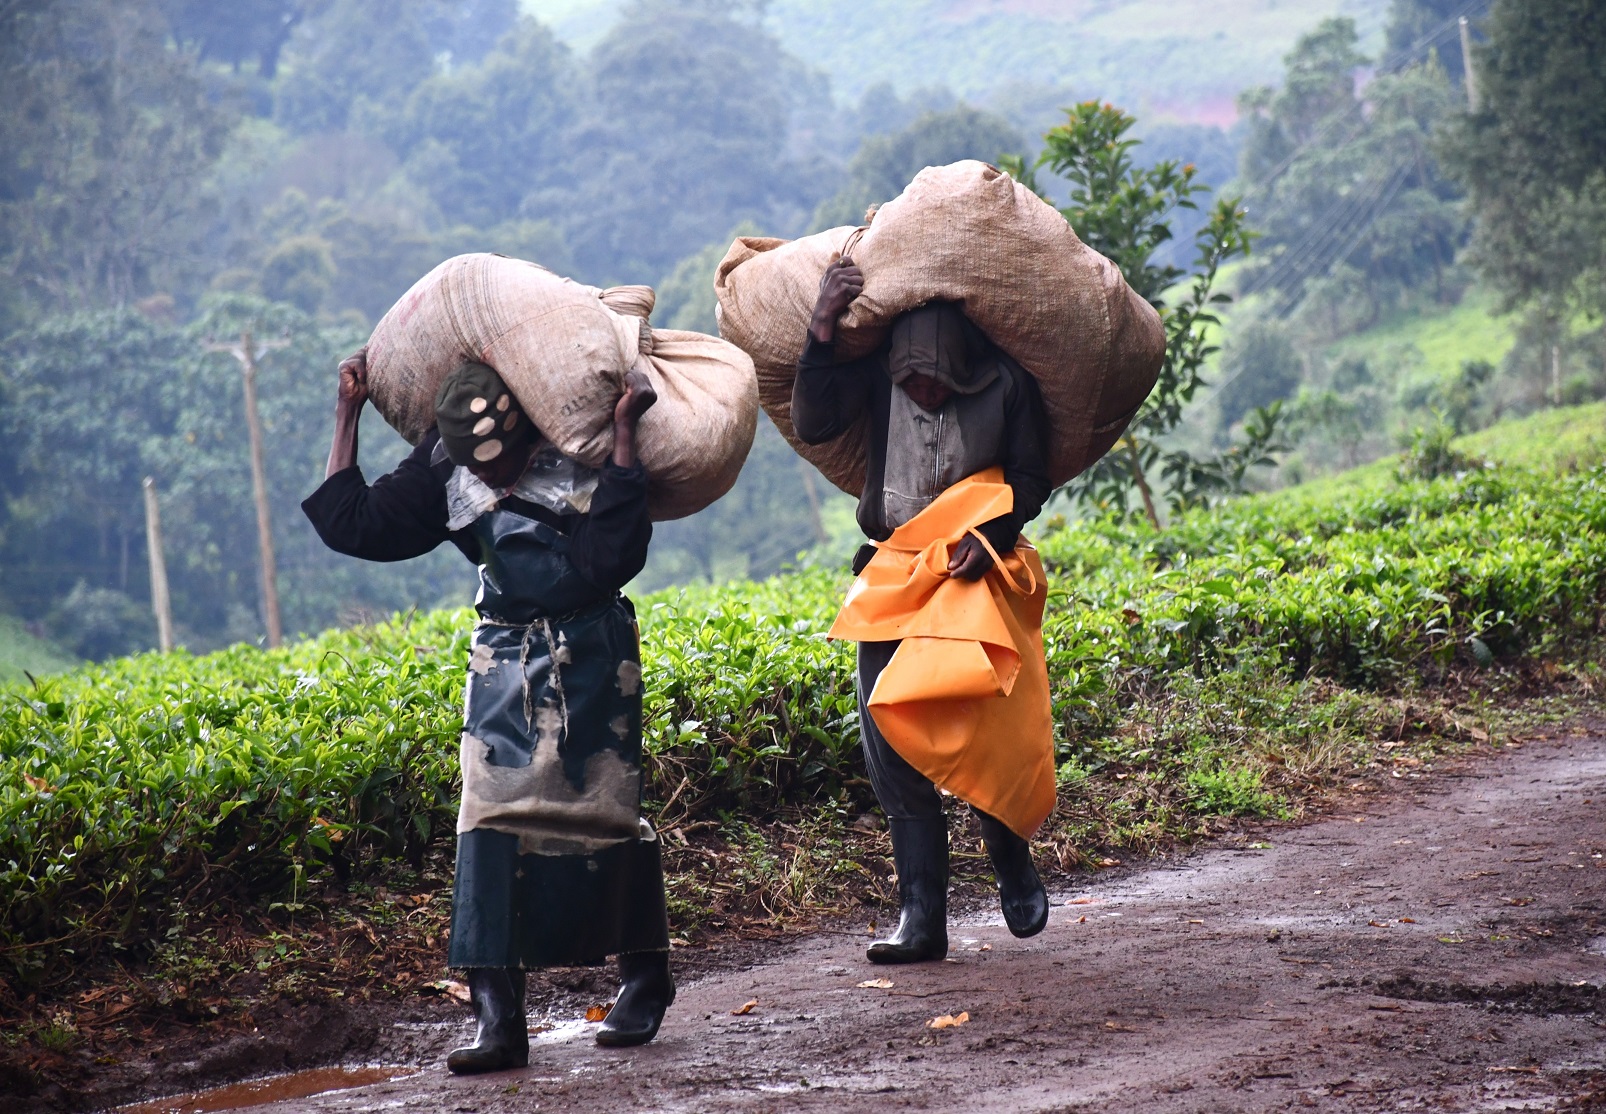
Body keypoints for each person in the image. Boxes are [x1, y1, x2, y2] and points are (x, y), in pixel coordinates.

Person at [302, 349, 673, 1073]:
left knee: (605, 807)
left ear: (531, 434)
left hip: (594, 649)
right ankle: (499, 1018)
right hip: (501, 655)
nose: (495, 478)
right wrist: (346, 413)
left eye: (507, 464)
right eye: (484, 469)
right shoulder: (444, 466)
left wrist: (625, 436)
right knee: (488, 819)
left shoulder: (575, 444)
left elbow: (611, 558)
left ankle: (644, 978)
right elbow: (353, 523)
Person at [791, 257, 1055, 964]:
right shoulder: (880, 380)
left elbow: (1031, 477)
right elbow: (812, 421)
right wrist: (821, 330)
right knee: (891, 733)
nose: (924, 394)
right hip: (896, 569)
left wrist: (986, 535)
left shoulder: (1006, 384)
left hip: (975, 570)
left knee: (982, 725)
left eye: (937, 383)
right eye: (911, 383)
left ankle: (1011, 863)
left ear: (968, 369)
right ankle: (921, 915)